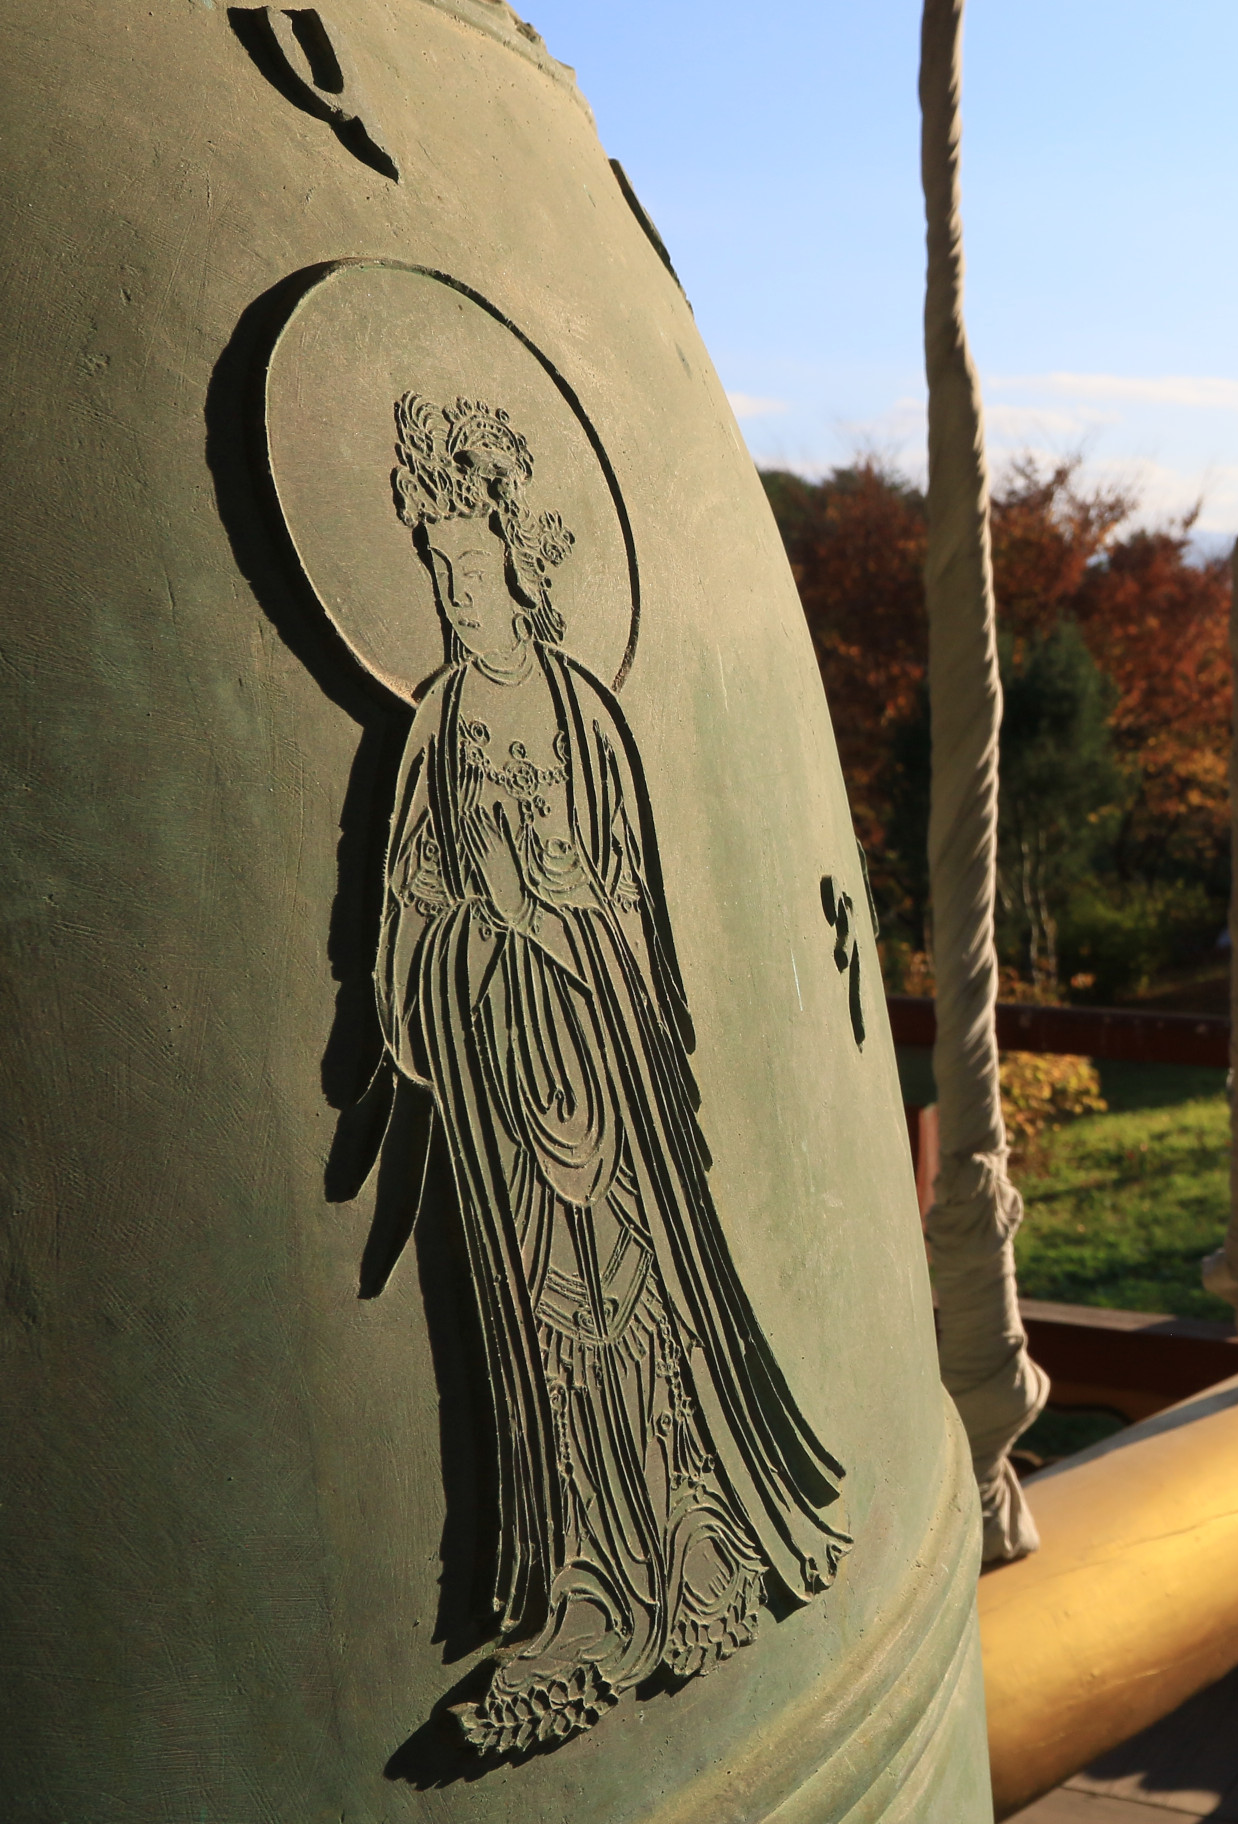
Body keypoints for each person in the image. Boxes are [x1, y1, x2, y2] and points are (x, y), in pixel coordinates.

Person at [375, 392, 848, 1753]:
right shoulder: (437, 726)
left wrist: (559, 909)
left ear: (517, 562)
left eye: (470, 561)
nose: (453, 589)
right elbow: (408, 910)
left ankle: (696, 1548)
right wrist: (478, 926)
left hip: (604, 1059)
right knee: (551, 1328)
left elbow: (633, 898)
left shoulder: (583, 712)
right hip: (504, 1068)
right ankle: (588, 1587)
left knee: (643, 1304)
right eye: (436, 567)